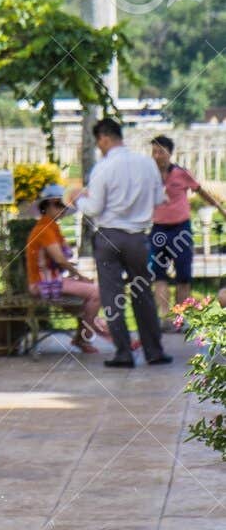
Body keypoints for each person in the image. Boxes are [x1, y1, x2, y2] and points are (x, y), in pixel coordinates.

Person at [70, 116, 170, 368]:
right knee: (143, 294)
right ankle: (154, 350)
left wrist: (77, 199)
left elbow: (93, 208)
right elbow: (160, 199)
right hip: (138, 238)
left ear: (103, 138)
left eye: (98, 142)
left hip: (109, 237)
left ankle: (123, 352)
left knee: (112, 295)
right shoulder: (147, 165)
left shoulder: (103, 168)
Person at [25, 185, 110, 352]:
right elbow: (60, 260)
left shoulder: (52, 227)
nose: (62, 209)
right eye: (58, 204)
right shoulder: (44, 228)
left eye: (63, 205)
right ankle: (87, 338)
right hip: (44, 283)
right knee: (97, 293)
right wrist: (80, 276)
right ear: (46, 206)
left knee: (89, 302)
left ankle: (84, 338)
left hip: (52, 280)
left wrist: (78, 277)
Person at [150, 137, 224, 326]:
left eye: (160, 151)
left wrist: (221, 209)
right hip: (158, 229)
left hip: (180, 229)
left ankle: (180, 317)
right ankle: (165, 317)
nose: (157, 156)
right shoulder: (148, 176)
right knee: (159, 275)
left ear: (169, 153)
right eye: (154, 152)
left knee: (183, 276)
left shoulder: (181, 174)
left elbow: (201, 191)